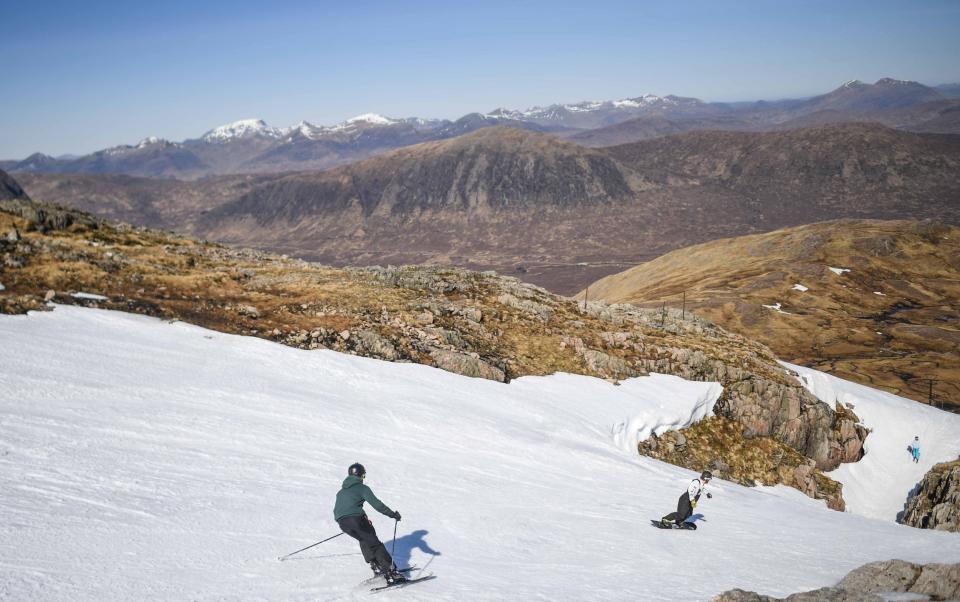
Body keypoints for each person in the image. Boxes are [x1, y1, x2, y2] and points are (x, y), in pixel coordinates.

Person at [333, 463, 406, 584]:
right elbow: (377, 504)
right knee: (375, 544)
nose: (363, 478)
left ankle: (376, 566)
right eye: (363, 475)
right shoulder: (362, 488)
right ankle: (391, 572)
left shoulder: (340, 492)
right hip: (356, 519)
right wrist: (393, 514)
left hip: (343, 523)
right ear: (360, 475)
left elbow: (338, 511)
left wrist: (347, 523)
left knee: (364, 539)